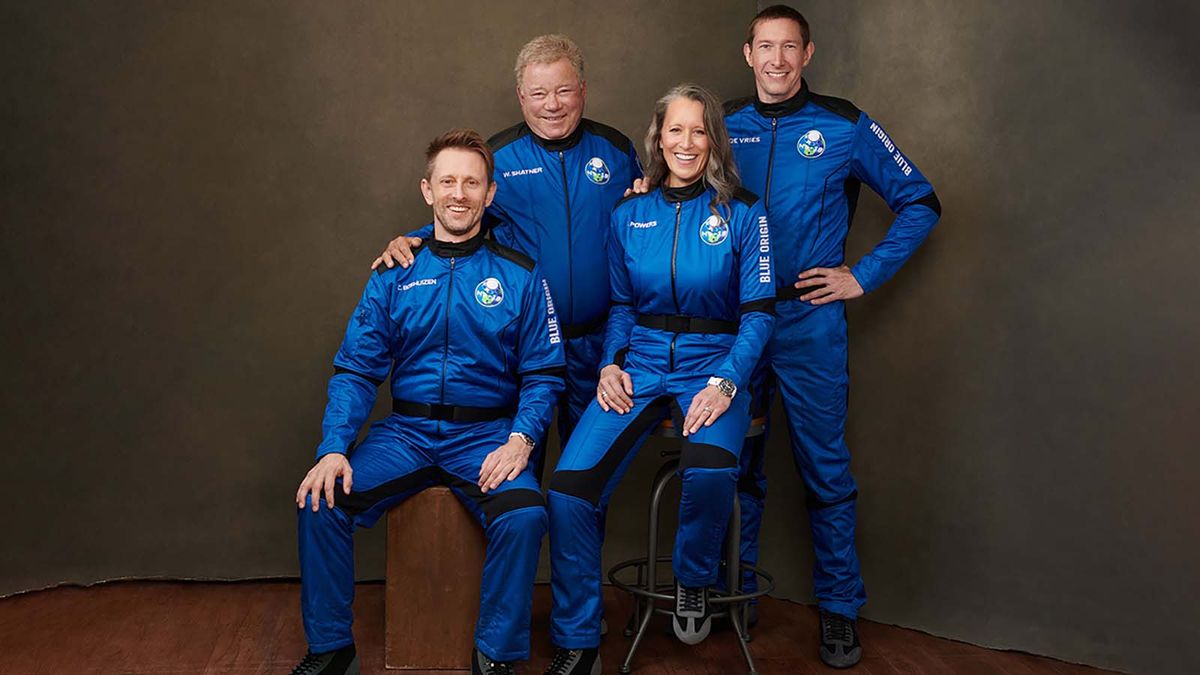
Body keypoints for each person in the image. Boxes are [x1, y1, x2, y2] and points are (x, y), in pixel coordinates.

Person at [291, 129, 565, 675]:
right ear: (427, 190)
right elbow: (355, 369)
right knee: (320, 500)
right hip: (406, 436)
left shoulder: (522, 274)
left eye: (471, 182)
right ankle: (330, 650)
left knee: (525, 514)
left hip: (486, 436)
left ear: (489, 194)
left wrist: (521, 438)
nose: (458, 193)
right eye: (447, 182)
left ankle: (495, 654)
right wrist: (333, 447)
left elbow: (544, 374)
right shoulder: (396, 272)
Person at [725, 5, 943, 669]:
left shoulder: (844, 125)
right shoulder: (722, 126)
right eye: (767, 46)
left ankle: (840, 610)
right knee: (736, 463)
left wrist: (862, 275)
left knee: (824, 469)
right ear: (748, 53)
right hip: (737, 324)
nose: (778, 60)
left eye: (790, 48)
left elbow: (921, 200)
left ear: (808, 55)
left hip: (809, 323)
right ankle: (734, 593)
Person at [541, 84, 775, 675]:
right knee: (568, 488)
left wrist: (725, 383)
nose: (687, 142)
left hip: (713, 361)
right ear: (659, 137)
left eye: (699, 131)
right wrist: (611, 364)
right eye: (676, 130)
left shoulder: (745, 212)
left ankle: (694, 578)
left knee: (714, 469)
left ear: (714, 139)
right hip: (640, 362)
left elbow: (759, 313)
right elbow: (621, 304)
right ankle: (577, 638)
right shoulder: (629, 212)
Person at [372, 35, 642, 473]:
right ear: (521, 98)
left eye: (563, 90)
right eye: (538, 93)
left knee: (587, 484)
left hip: (598, 344)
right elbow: (460, 215)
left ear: (583, 90)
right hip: (523, 351)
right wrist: (414, 239)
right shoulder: (499, 157)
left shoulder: (615, 150)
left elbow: (647, 214)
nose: (551, 104)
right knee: (515, 476)